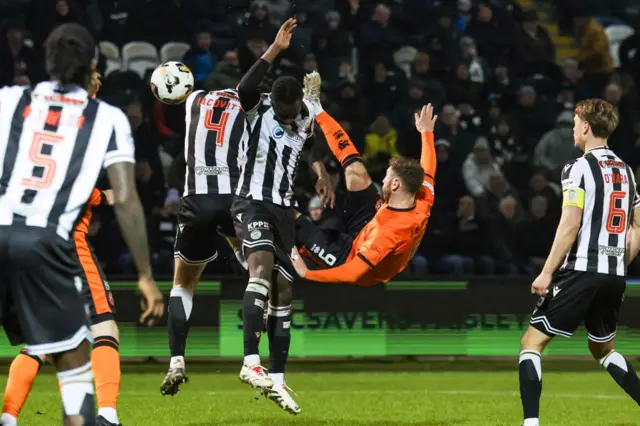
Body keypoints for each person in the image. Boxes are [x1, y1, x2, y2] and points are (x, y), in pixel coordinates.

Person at [0, 23, 163, 426]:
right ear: (92, 64)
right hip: (49, 242)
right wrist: (145, 275)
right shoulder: (107, 119)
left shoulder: (9, 100)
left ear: (44, 61)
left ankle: (8, 417)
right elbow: (126, 198)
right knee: (77, 350)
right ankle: (100, 416)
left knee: (41, 342)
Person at [231, 18, 334, 414]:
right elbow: (243, 87)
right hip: (252, 203)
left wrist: (322, 173)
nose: (290, 117)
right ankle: (249, 363)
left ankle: (277, 378)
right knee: (259, 270)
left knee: (285, 291)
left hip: (283, 209)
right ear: (274, 103)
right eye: (284, 111)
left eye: (294, 111)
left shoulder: (305, 112)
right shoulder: (258, 109)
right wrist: (275, 48)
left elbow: (310, 148)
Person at [518, 99, 640, 426]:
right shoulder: (627, 172)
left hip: (582, 269)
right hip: (614, 274)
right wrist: (618, 264)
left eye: (574, 122)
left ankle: (530, 424)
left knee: (532, 342)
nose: (573, 129)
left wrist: (546, 272)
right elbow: (636, 228)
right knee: (604, 350)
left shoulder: (577, 168)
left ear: (586, 126)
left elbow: (570, 224)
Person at [160, 85, 251, 396]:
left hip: (197, 198)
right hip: (233, 195)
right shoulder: (247, 105)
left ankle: (176, 361)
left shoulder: (194, 100)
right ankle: (260, 289)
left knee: (182, 285)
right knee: (247, 253)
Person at [290, 103, 437, 287]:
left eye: (386, 177)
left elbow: (353, 274)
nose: (382, 181)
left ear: (396, 184)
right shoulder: (423, 195)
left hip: (351, 259)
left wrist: (306, 273)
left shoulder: (388, 233)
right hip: (369, 227)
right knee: (357, 173)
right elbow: (429, 167)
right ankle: (317, 108)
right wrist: (426, 132)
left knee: (289, 214)